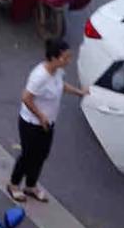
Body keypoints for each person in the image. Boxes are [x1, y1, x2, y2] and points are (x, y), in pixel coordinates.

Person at [8, 40, 88, 203]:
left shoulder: (57, 71)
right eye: (65, 58)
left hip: (48, 124)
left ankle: (30, 186)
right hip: (31, 124)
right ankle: (14, 184)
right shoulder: (39, 76)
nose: (68, 61)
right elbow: (26, 97)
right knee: (28, 156)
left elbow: (61, 86)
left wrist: (78, 92)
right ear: (54, 58)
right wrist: (40, 116)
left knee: (41, 155)